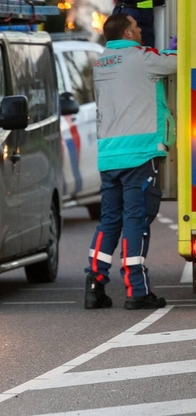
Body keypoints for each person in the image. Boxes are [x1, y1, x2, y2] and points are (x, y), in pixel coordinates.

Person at [83, 13, 175, 311]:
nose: (141, 31)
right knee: (135, 220)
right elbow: (175, 62)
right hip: (140, 154)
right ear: (127, 31)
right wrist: (177, 43)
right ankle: (137, 290)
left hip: (109, 156)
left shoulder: (101, 63)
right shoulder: (142, 58)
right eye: (137, 27)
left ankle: (94, 286)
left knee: (110, 220)